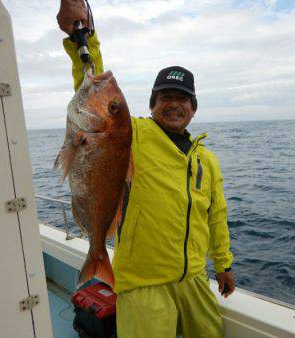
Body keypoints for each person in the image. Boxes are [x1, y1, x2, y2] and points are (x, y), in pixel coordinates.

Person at [57, 1, 235, 337]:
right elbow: (93, 87)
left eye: (182, 98)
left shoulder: (206, 160)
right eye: (164, 96)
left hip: (194, 278)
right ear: (152, 105)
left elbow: (216, 215)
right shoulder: (130, 133)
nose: (173, 104)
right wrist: (83, 41)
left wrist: (223, 264)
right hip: (142, 281)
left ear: (193, 109)